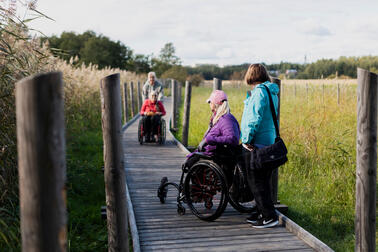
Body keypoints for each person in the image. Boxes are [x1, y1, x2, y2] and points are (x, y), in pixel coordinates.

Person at [240, 63, 280, 228]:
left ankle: (269, 216)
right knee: (263, 179)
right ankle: (260, 210)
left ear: (252, 75)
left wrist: (247, 138)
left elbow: (254, 118)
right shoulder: (271, 92)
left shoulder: (259, 93)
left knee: (256, 181)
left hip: (257, 142)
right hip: (268, 140)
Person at [185, 90, 240, 170]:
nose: (209, 105)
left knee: (191, 162)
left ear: (215, 104)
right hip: (212, 153)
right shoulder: (218, 118)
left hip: (217, 156)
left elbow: (232, 139)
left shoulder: (226, 119)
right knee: (190, 161)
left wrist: (209, 140)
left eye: (210, 102)